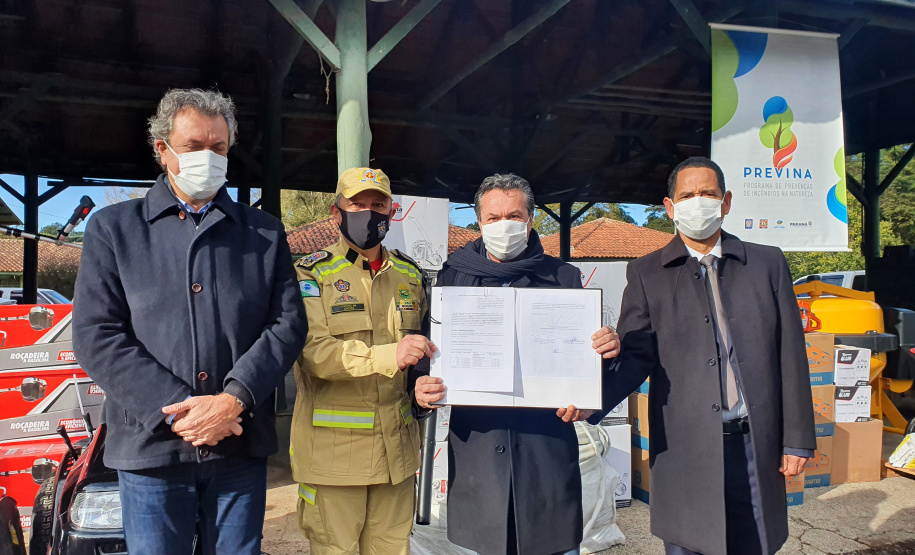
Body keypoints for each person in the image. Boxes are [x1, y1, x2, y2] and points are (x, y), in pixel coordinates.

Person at [72, 88, 307, 555]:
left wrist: (234, 399)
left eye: (219, 147)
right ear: (163, 149)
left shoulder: (262, 232)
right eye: (194, 146)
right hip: (151, 446)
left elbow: (287, 323)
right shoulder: (114, 229)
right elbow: (97, 334)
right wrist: (180, 409)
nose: (209, 157)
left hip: (237, 440)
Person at [604, 157, 816, 555]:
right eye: (687, 195)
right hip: (685, 448)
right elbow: (634, 357)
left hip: (754, 444)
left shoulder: (767, 263)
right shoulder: (647, 273)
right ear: (670, 207)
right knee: (689, 544)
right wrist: (587, 398)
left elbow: (791, 353)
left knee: (756, 543)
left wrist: (798, 439)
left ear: (726, 201)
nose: (698, 202)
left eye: (708, 193)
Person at [413, 173, 621, 555]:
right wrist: (422, 386)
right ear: (479, 222)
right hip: (479, 455)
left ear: (530, 220)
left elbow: (586, 365)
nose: (503, 225)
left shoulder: (564, 277)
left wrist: (605, 354)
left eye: (513, 216)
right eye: (493, 218)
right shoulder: (452, 277)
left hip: (545, 455)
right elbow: (427, 355)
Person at [291, 167, 435, 555]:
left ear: (391, 212)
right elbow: (313, 354)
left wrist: (425, 386)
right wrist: (391, 355)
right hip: (335, 459)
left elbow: (426, 350)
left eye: (378, 204)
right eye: (356, 204)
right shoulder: (311, 273)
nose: (368, 212)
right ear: (336, 212)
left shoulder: (410, 275)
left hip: (397, 457)